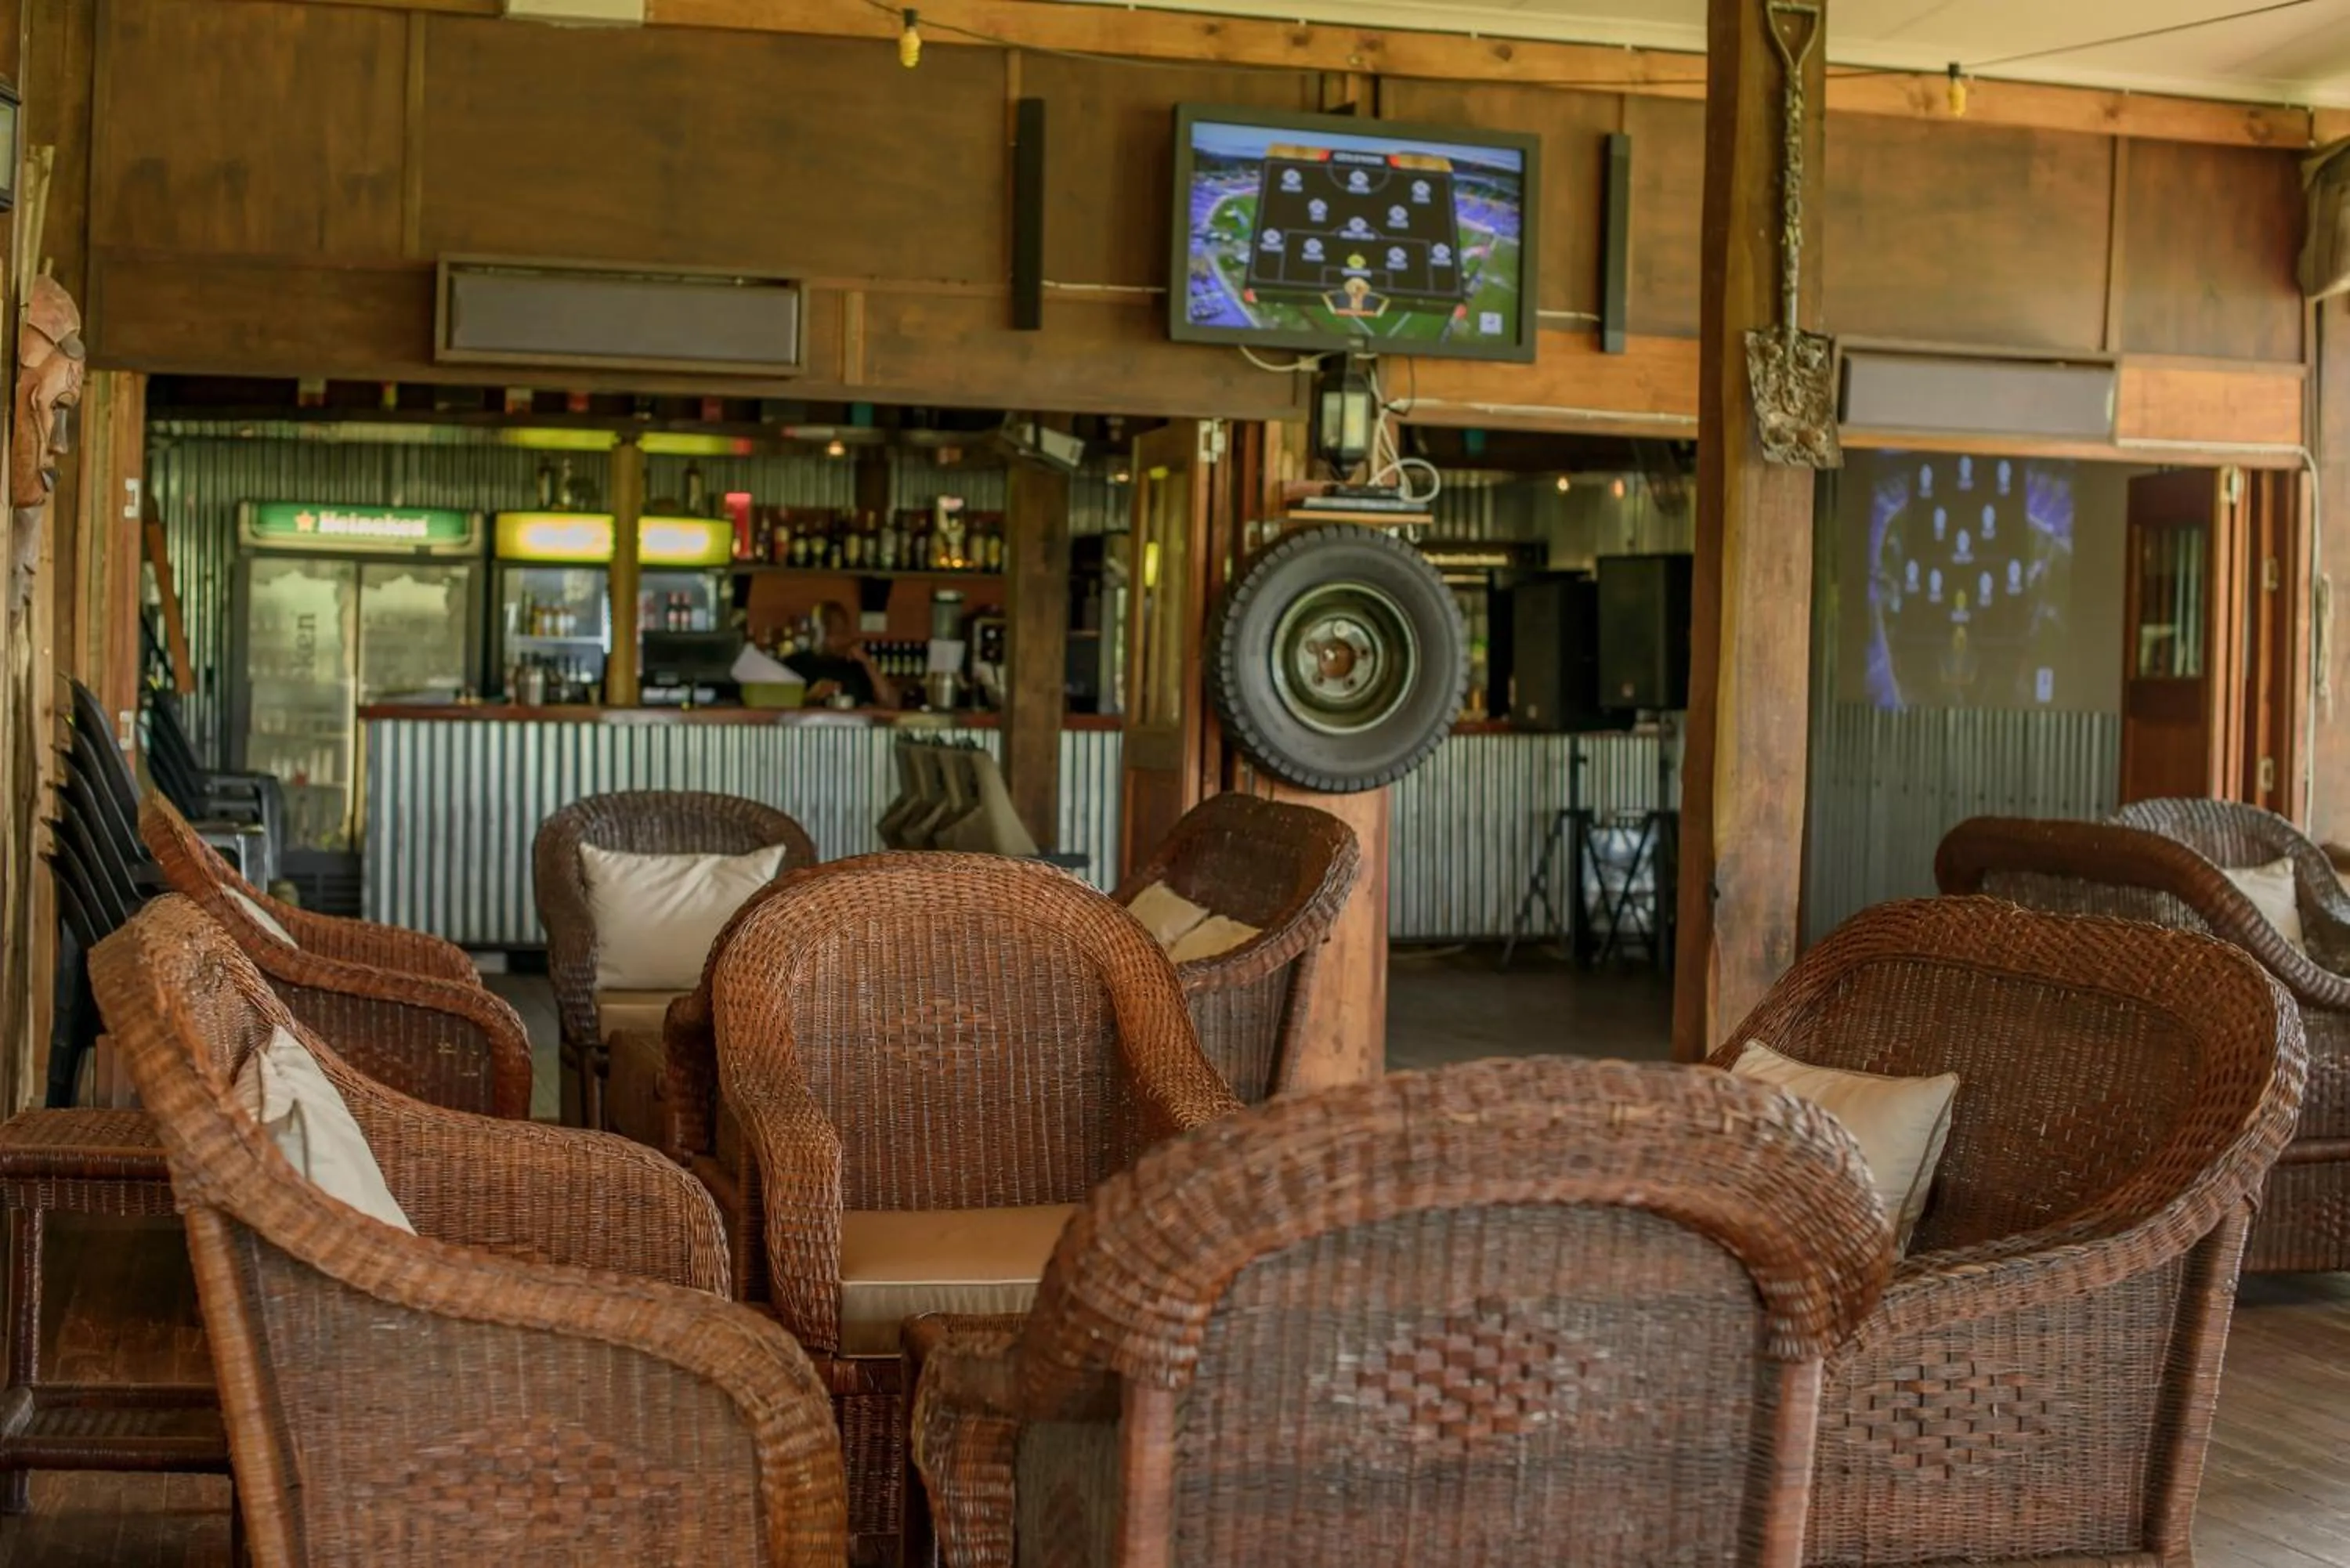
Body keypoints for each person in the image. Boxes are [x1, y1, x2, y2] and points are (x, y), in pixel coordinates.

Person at [784, 600, 900, 710]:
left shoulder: (856, 666)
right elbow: (775, 711)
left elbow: (892, 704)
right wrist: (810, 697)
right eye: (829, 632)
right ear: (815, 632)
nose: (838, 640)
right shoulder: (794, 664)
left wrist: (867, 661)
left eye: (842, 632)